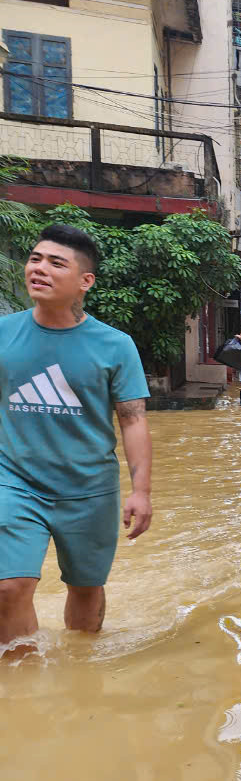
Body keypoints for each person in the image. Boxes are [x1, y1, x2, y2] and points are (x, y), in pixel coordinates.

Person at [0, 224, 153, 657]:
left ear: (85, 281)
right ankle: (24, 679)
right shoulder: (3, 333)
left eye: (55, 263)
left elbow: (133, 422)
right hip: (14, 480)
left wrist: (141, 492)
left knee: (85, 590)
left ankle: (81, 671)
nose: (39, 268)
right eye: (35, 259)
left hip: (89, 488)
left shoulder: (115, 345)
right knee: (9, 587)